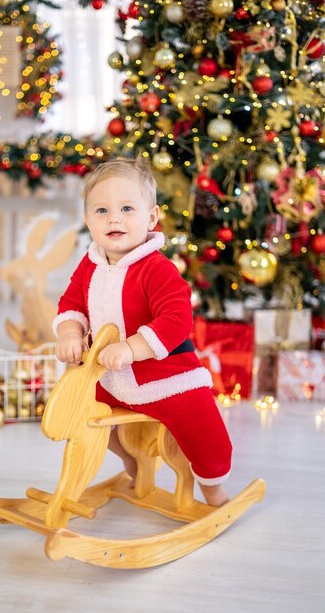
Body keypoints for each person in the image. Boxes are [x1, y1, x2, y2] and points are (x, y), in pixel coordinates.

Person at [53, 157, 232, 507]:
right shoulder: (90, 264)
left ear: (150, 218)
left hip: (165, 377)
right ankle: (132, 462)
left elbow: (177, 319)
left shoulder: (156, 268)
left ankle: (215, 492)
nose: (114, 218)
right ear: (88, 219)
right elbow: (71, 302)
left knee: (203, 433)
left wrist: (133, 348)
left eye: (126, 208)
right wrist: (70, 334)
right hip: (110, 379)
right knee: (88, 419)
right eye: (101, 210)